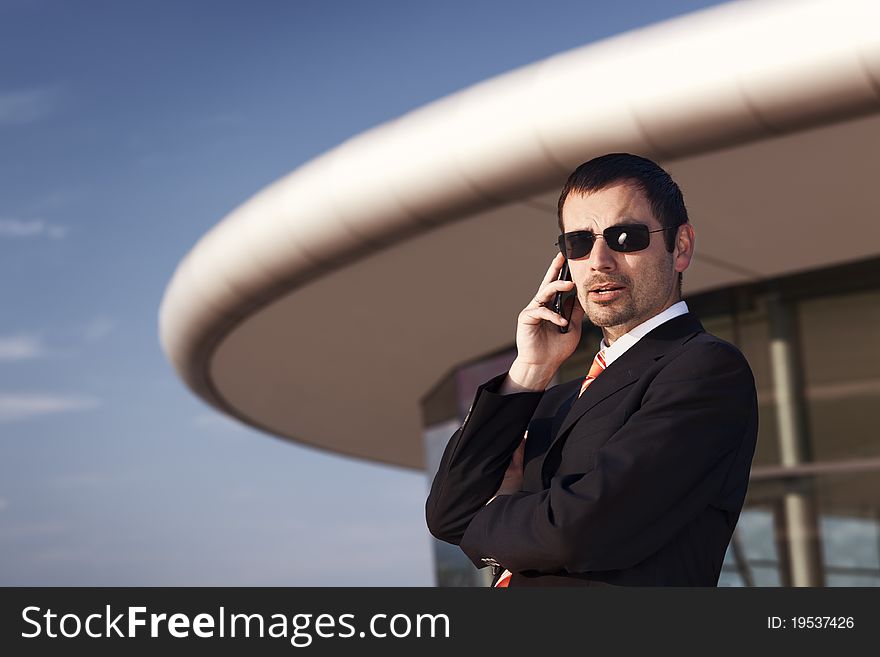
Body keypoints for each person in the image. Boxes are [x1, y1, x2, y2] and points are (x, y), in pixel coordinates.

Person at [425, 153, 758, 586]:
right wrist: (530, 370)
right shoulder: (552, 399)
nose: (599, 261)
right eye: (579, 243)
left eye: (625, 236)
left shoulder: (705, 368)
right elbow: (447, 514)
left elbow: (581, 530)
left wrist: (492, 514)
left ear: (681, 247)